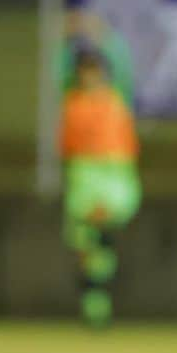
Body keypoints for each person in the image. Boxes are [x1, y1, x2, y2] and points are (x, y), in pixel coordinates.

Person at [59, 38, 141, 328]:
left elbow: (124, 65)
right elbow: (58, 66)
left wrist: (105, 34)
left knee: (101, 239)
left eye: (95, 69)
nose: (90, 76)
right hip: (84, 174)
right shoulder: (72, 102)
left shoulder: (117, 99)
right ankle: (95, 305)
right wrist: (71, 40)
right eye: (85, 70)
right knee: (89, 248)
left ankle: (96, 307)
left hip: (113, 174)